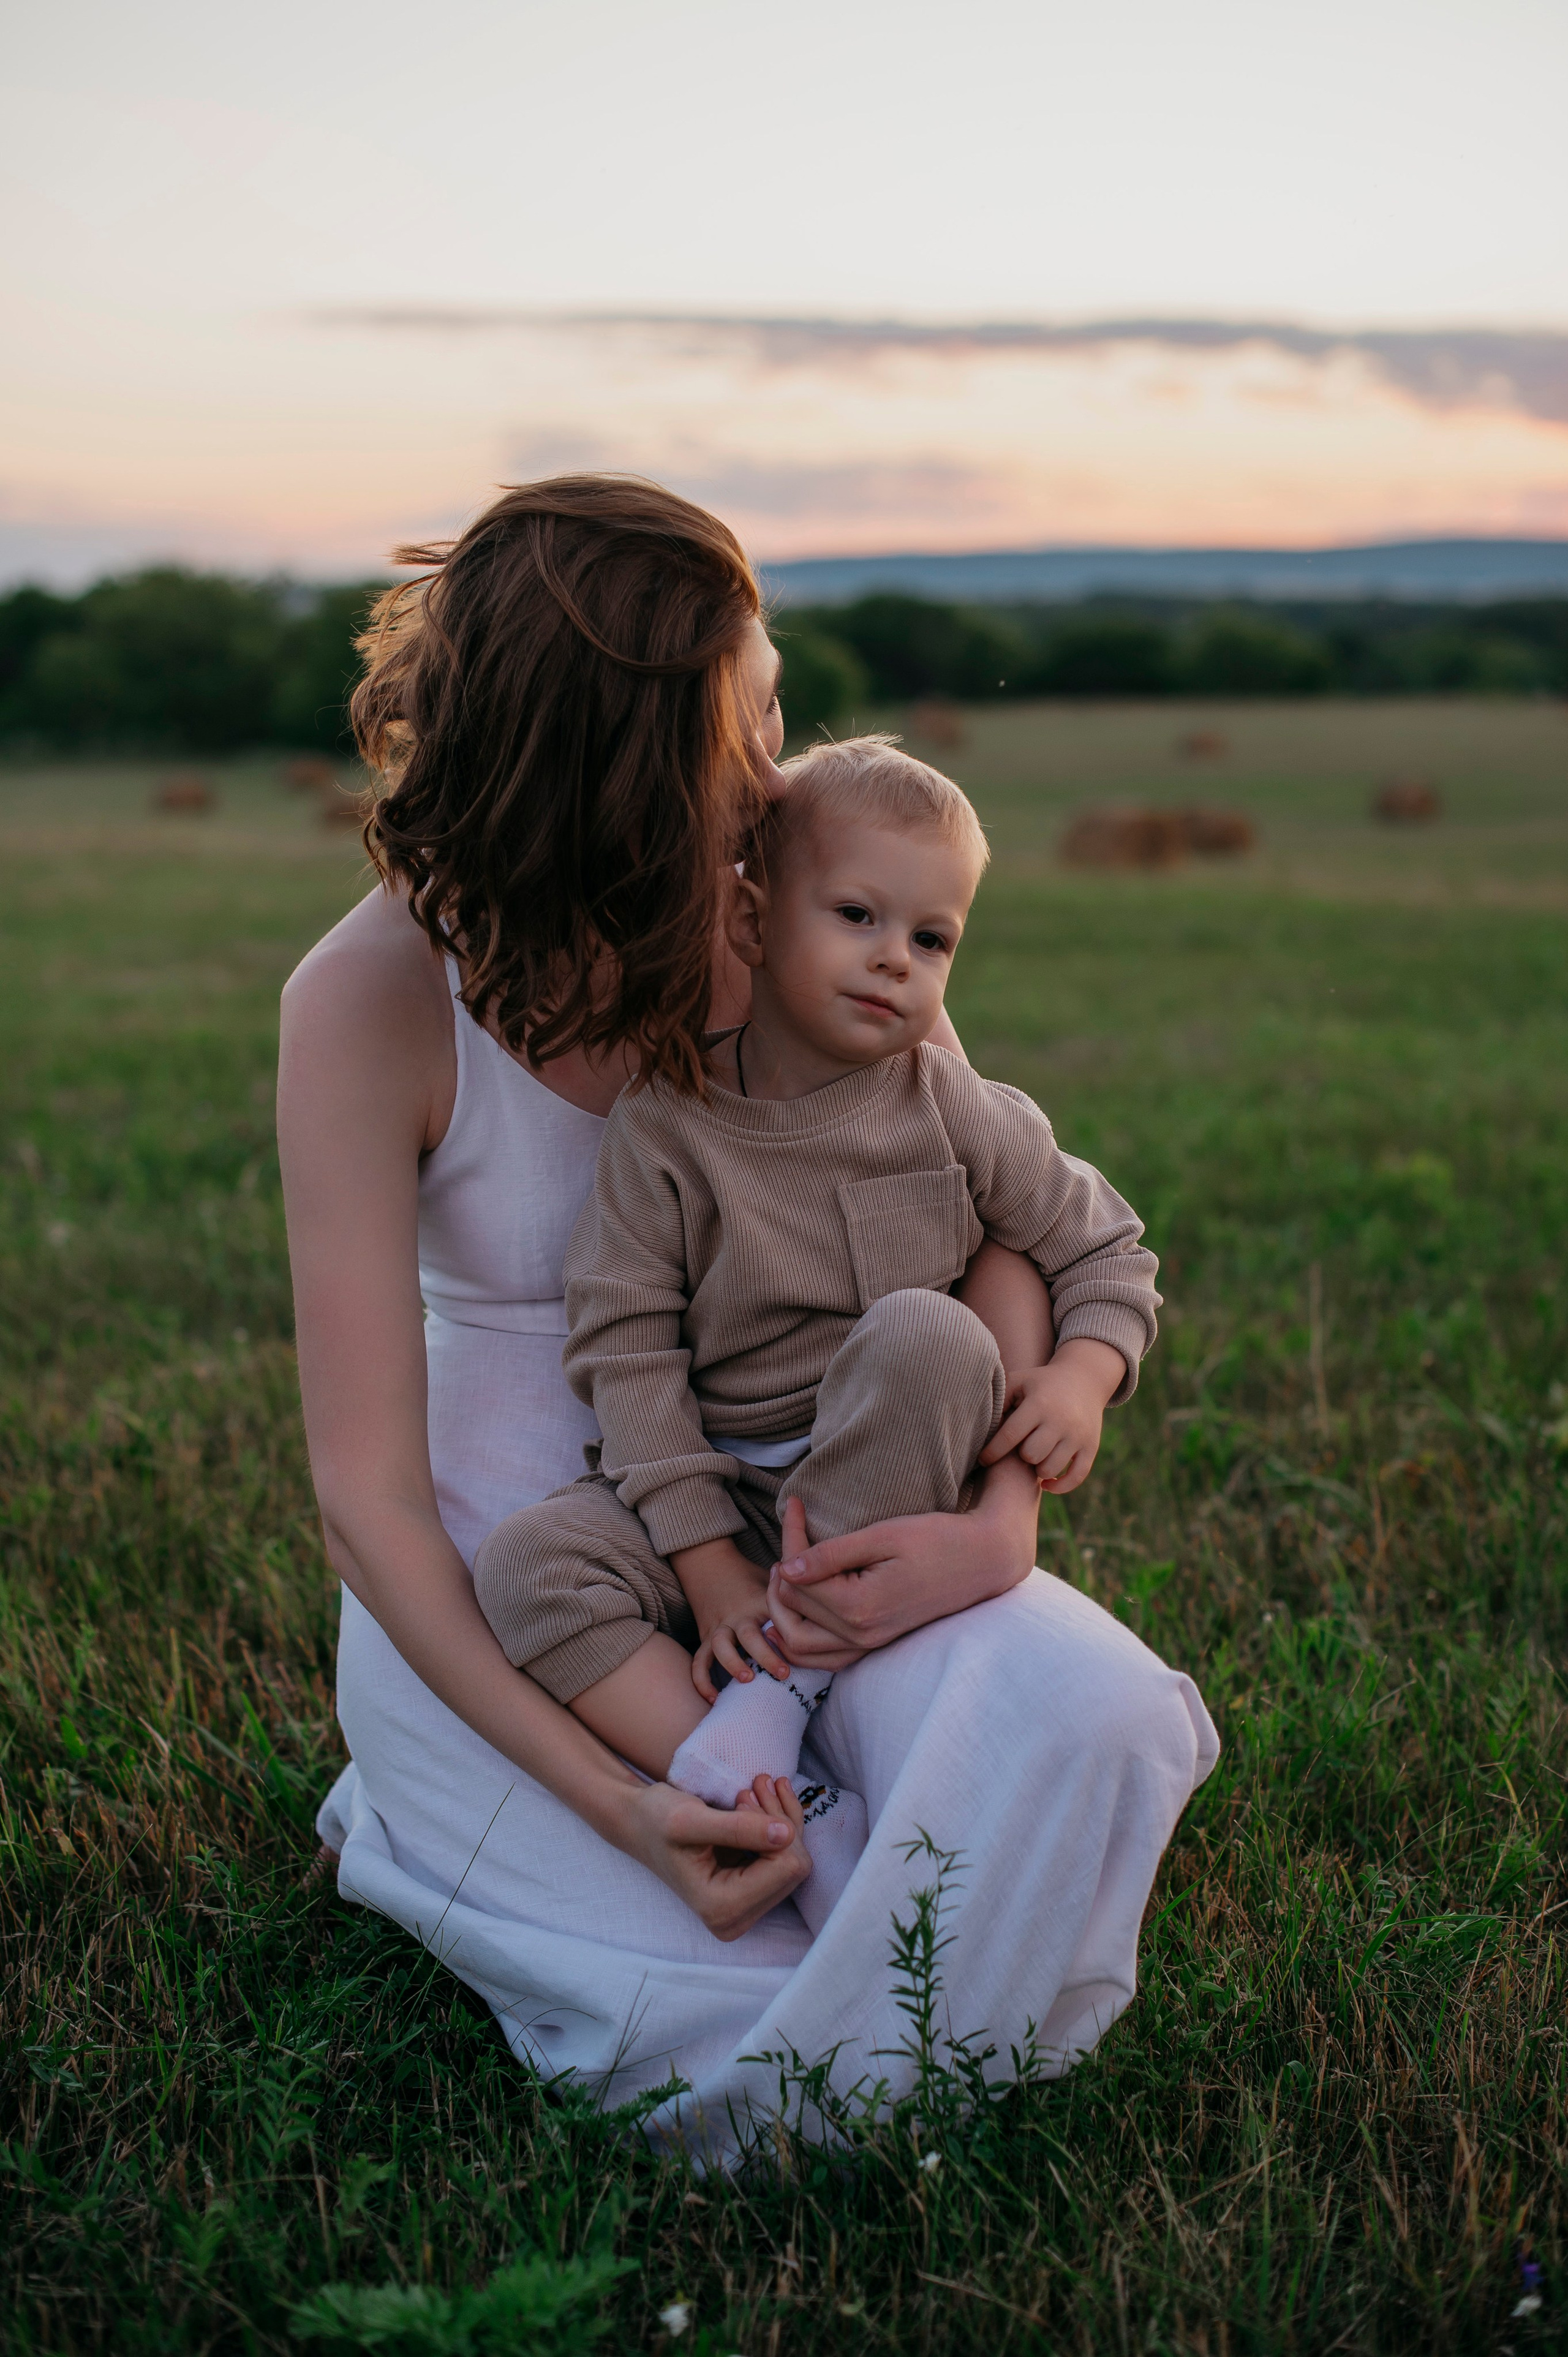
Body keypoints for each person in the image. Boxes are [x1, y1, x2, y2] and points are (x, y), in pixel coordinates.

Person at [279, 475, 1218, 2164]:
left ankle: (804, 1754)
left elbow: (984, 1217)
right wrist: (621, 1809)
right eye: (756, 721)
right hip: (538, 1596)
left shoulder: (792, 921)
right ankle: (431, 1824)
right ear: (630, 755)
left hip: (822, 1510)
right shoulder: (366, 1000)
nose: (787, 771)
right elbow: (369, 1505)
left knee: (1094, 1721)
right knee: (736, 2041)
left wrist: (998, 1530)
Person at [471, 736, 1161, 1937]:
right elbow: (626, 1351)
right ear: (748, 918)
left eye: (931, 938)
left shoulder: (948, 1103)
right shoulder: (666, 1125)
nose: (894, 958)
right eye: (855, 915)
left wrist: (1083, 1376)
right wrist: (702, 1560)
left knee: (927, 1338)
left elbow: (1104, 1248)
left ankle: (782, 1688)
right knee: (526, 1567)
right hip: (723, 1479)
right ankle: (768, 1791)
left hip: (883, 1470)